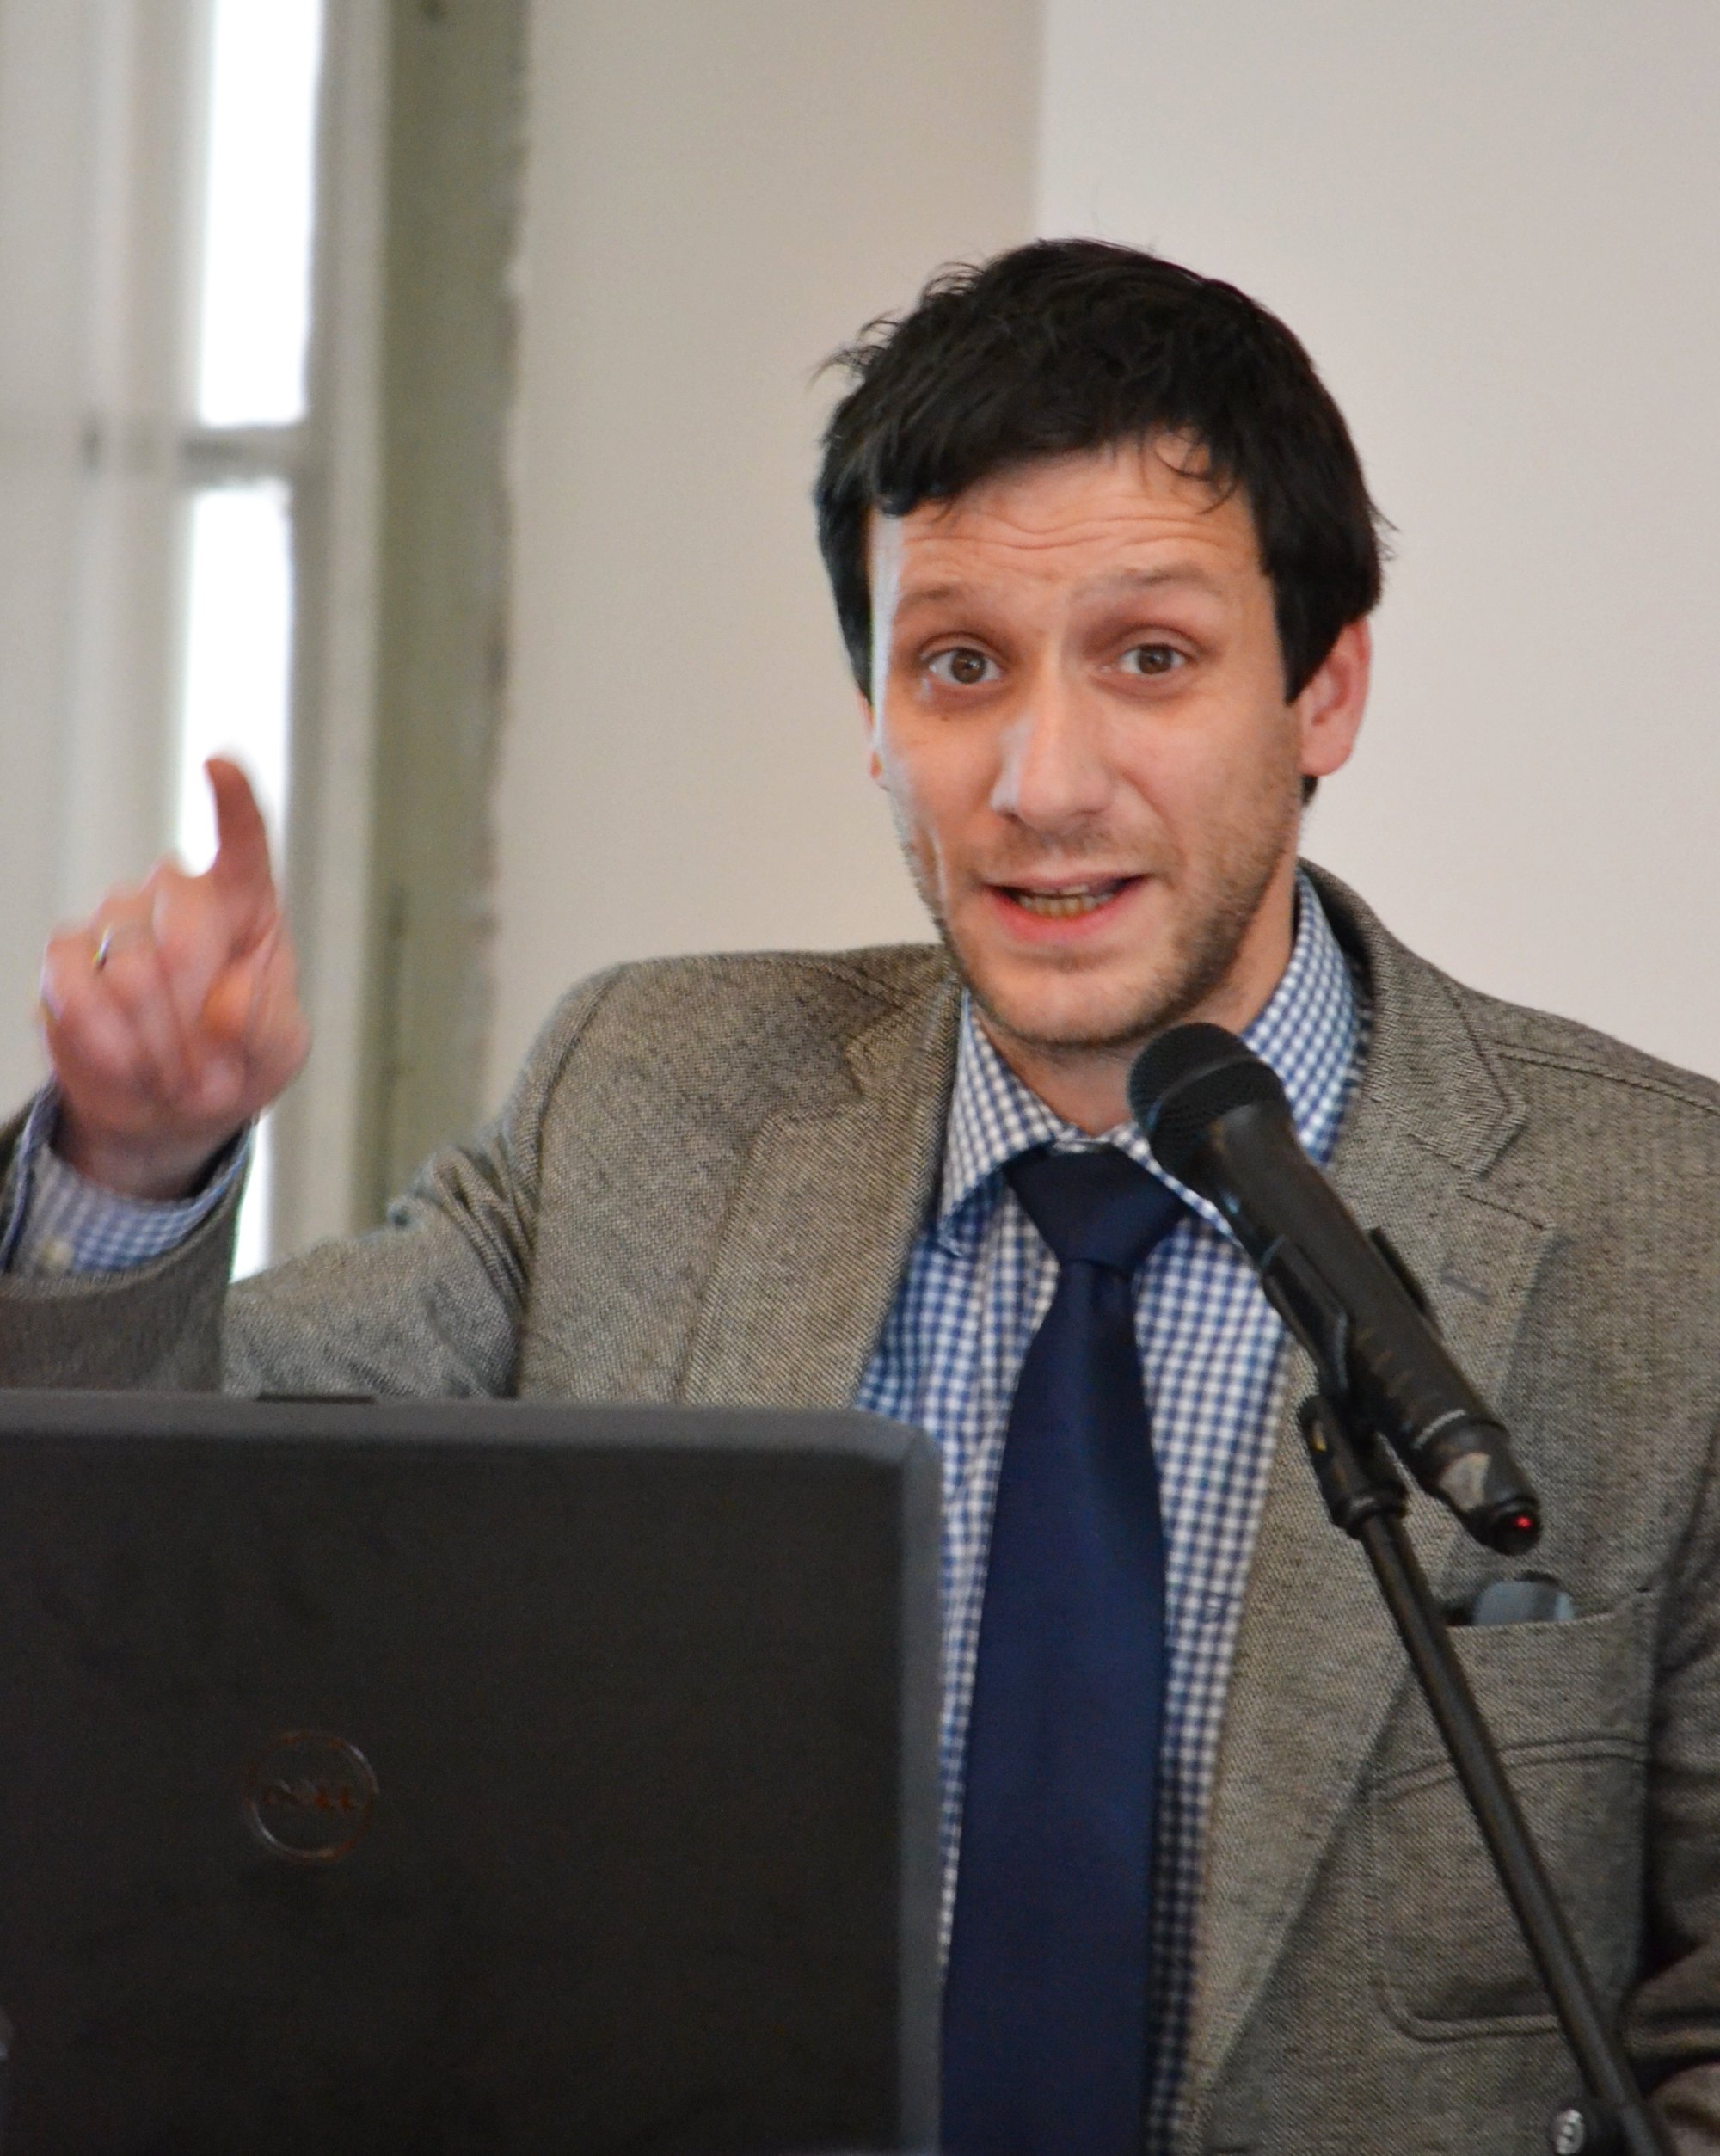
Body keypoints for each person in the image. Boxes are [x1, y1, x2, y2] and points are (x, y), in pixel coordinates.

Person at [3, 239, 1718, 2153]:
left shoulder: (1671, 1236)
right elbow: (134, 1570)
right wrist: (130, 1167)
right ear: (875, 716)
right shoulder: (649, 1102)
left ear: (1324, 691)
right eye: (959, 667)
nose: (1043, 782)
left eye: (1150, 660)